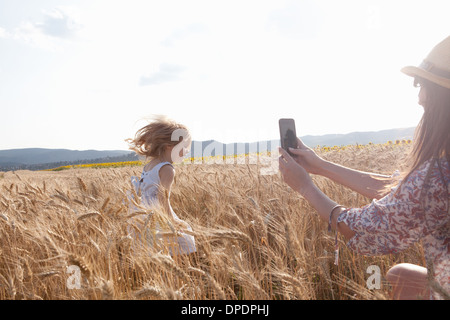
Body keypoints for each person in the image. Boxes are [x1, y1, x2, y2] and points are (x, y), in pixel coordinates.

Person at [278, 36, 449, 300]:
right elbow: (402, 192)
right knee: (399, 275)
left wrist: (305, 187)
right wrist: (321, 167)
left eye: (424, 84)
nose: (420, 97)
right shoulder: (437, 176)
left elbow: (358, 229)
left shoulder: (439, 177)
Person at [126, 115, 196, 257]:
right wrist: (172, 223)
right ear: (169, 146)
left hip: (142, 216)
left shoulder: (150, 165)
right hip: (158, 217)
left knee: (150, 253)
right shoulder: (167, 169)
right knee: (185, 241)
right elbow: (163, 199)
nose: (187, 152)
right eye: (184, 147)